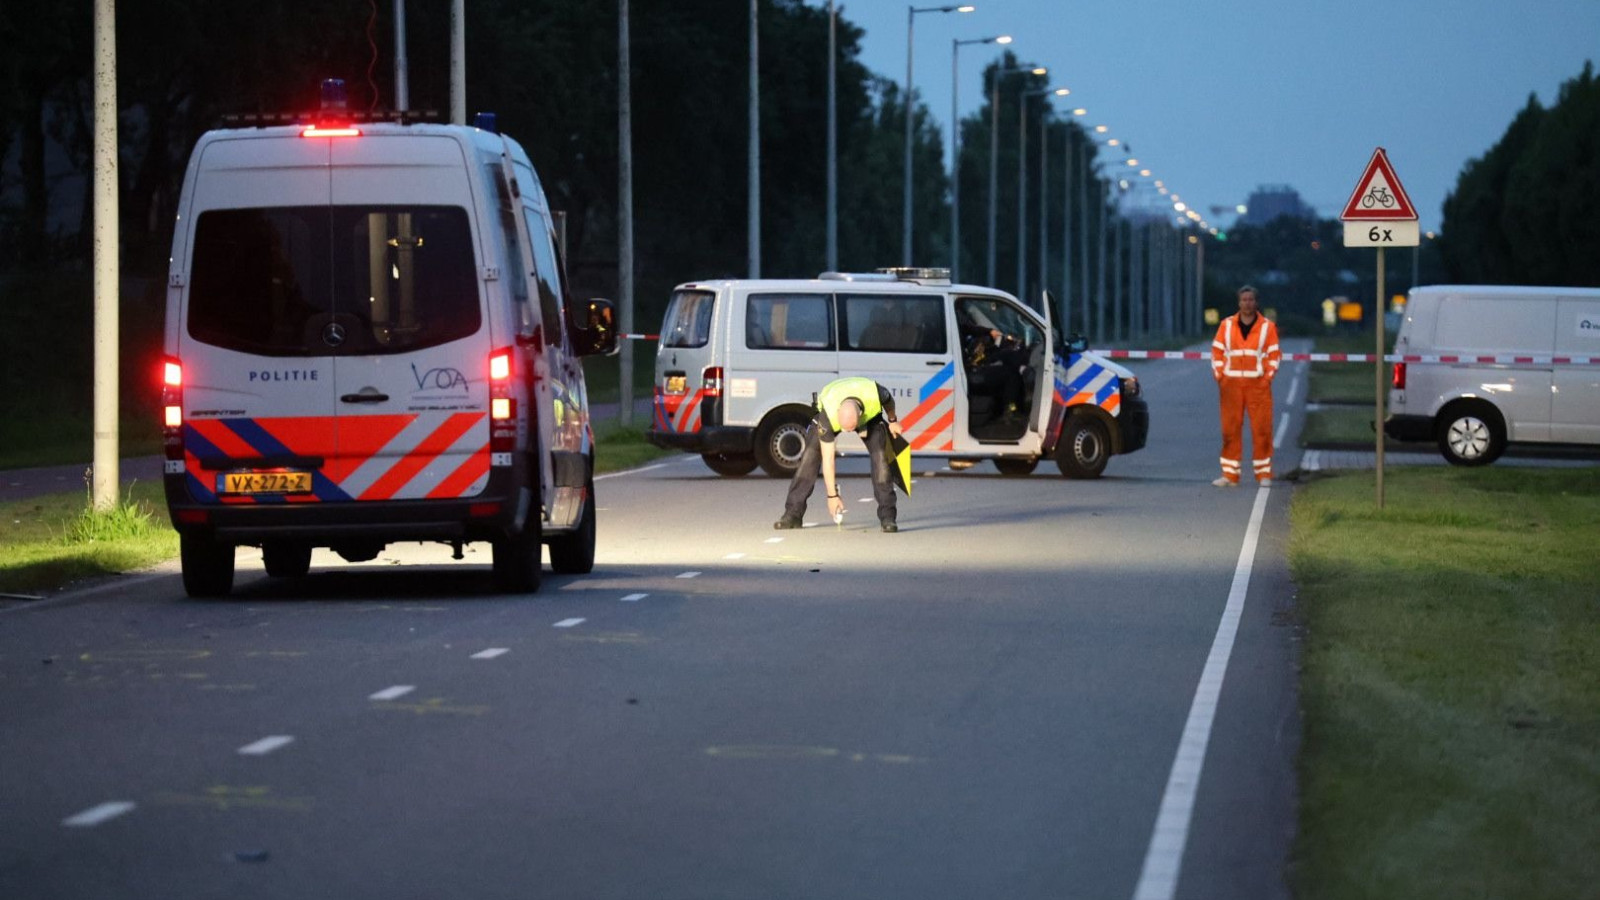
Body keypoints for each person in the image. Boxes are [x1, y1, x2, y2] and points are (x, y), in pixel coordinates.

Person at [774, 376, 905, 533]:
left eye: (851, 429)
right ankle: (792, 514)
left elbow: (889, 402)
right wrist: (832, 496)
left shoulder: (875, 393)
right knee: (809, 457)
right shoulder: (828, 415)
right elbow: (828, 459)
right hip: (833, 414)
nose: (847, 433)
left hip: (869, 420)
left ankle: (888, 517)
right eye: (844, 429)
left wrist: (893, 421)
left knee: (881, 461)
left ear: (861, 415)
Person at [1211, 285, 1282, 486]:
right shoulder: (1226, 325)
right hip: (1231, 385)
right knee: (1230, 430)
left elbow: (1274, 355)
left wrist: (1267, 378)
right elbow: (1217, 352)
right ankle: (1230, 475)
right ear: (1238, 302)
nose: (1247, 303)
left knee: (1262, 429)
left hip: (1258, 386)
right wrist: (1220, 376)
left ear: (1256, 302)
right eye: (1244, 300)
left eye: (1251, 300)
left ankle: (1263, 474)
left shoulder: (1267, 327)